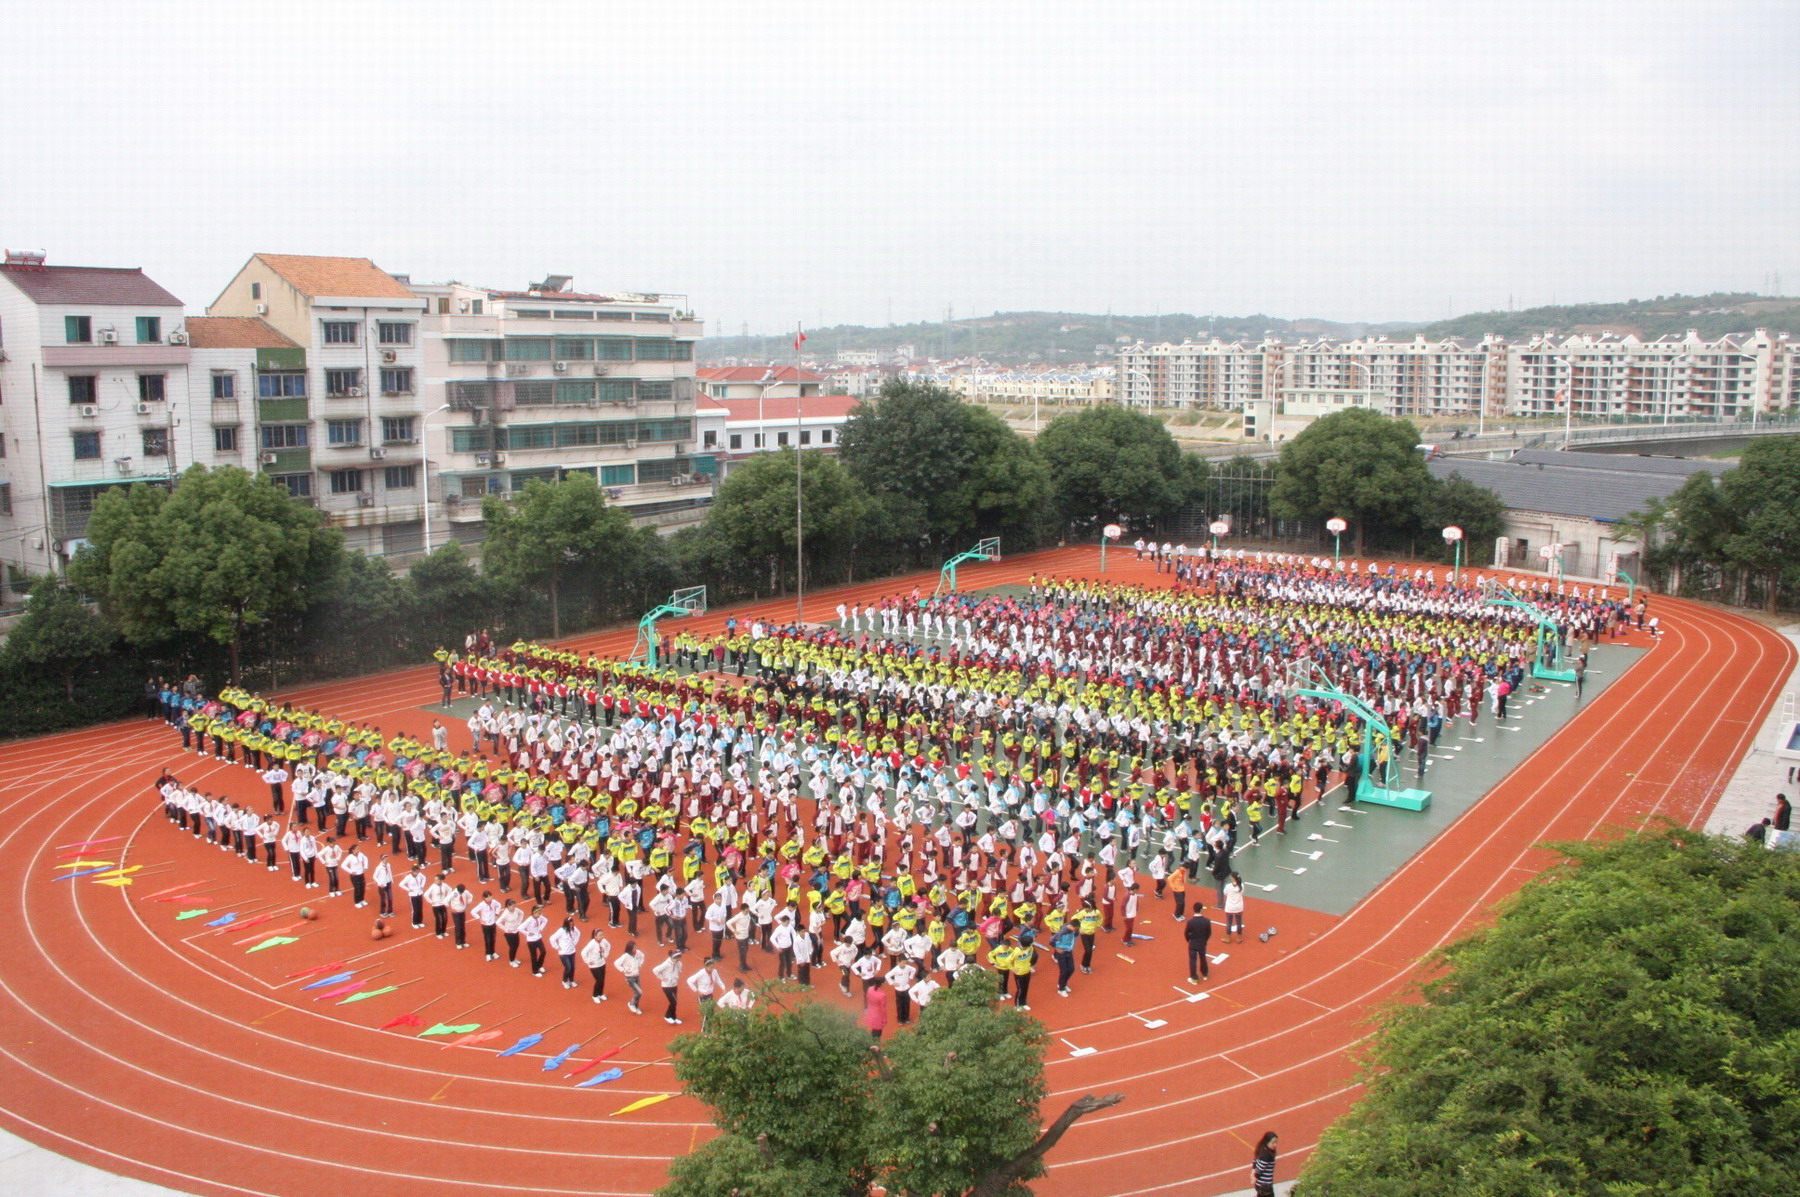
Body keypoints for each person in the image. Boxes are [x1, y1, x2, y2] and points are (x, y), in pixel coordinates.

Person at [653, 949, 684, 1024]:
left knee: (674, 1002)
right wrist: (662, 978)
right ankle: (667, 1016)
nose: (677, 960)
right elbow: (655, 970)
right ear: (672, 958)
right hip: (666, 986)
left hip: (674, 985)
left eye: (678, 958)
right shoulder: (666, 964)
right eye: (676, 959)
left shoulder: (679, 963)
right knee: (673, 1002)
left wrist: (676, 976)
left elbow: (679, 969)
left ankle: (673, 1017)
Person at [615, 940, 646, 1014]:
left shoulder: (638, 953)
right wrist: (624, 970)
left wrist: (640, 964)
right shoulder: (625, 956)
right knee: (639, 992)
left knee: (637, 992)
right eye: (633, 947)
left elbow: (643, 956)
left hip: (637, 975)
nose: (635, 948)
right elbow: (616, 963)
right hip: (629, 977)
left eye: (635, 946)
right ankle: (631, 1003)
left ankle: (636, 1007)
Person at [581, 928, 611, 1002]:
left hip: (602, 963)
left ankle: (600, 994)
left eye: (602, 935)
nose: (602, 936)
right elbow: (583, 952)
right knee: (599, 980)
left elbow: (608, 946)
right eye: (600, 935)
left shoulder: (604, 941)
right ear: (595, 936)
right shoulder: (591, 944)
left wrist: (606, 954)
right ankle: (595, 995)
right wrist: (587, 961)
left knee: (602, 979)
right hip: (594, 965)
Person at [551, 917, 582, 989]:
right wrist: (557, 947)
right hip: (564, 953)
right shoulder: (561, 931)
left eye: (572, 922)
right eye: (570, 923)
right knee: (568, 967)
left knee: (573, 967)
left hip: (572, 951)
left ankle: (571, 980)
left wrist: (575, 943)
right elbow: (552, 938)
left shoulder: (574, 929)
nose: (572, 924)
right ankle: (564, 981)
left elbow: (578, 934)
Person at [1185, 904, 1212, 984]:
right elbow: (1209, 933)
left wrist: (1189, 940)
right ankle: (1205, 974)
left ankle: (1194, 978)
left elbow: (1186, 933)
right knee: (1203, 957)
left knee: (1193, 960)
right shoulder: (1206, 921)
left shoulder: (1190, 922)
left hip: (1193, 943)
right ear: (1201, 910)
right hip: (1202, 942)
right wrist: (1205, 940)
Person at [522, 904, 550, 976]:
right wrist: (527, 933)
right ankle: (535, 971)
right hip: (531, 941)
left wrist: (541, 928)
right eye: (538, 913)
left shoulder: (540, 917)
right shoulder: (529, 920)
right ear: (533, 913)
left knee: (543, 951)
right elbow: (520, 928)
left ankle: (539, 965)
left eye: (540, 913)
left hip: (538, 937)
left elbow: (545, 920)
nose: (539, 915)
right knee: (534, 956)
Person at [498, 898, 525, 967]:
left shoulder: (516, 910)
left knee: (516, 945)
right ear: (508, 906)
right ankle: (511, 960)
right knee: (512, 947)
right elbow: (498, 922)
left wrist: (519, 922)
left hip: (516, 930)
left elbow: (521, 913)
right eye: (512, 906)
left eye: (514, 906)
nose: (514, 907)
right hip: (509, 933)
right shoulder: (505, 914)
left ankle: (514, 958)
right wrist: (506, 929)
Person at [1251, 1131, 1278, 1197]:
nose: (1275, 1145)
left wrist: (1252, 1173)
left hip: (1260, 1184)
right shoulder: (1267, 1156)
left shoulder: (1261, 1150)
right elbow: (1260, 1170)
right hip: (1265, 1186)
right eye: (1273, 1142)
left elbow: (1255, 1160)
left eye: (1276, 1142)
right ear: (1267, 1142)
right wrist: (1254, 1176)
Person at [863, 976, 890, 1041]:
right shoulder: (882, 995)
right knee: (878, 1033)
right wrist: (884, 1020)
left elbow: (867, 997)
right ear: (882, 983)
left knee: (874, 1030)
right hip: (878, 1015)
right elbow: (883, 1009)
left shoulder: (869, 989)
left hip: (871, 1011)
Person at [1222, 872, 1245, 943]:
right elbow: (1242, 893)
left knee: (1229, 923)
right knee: (1239, 922)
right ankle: (1239, 937)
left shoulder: (1228, 886)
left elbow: (1225, 893)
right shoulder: (1242, 886)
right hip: (1239, 907)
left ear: (1233, 878)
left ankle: (1228, 938)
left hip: (1230, 907)